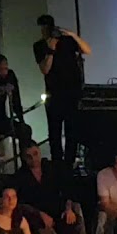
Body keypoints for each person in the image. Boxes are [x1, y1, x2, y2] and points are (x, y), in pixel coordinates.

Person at [33, 14, 91, 166]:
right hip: (54, 93)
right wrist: (51, 50)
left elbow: (87, 50)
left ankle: (69, 163)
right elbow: (45, 69)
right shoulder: (39, 46)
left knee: (72, 130)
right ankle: (57, 162)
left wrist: (72, 35)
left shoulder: (67, 42)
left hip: (72, 91)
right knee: (54, 131)